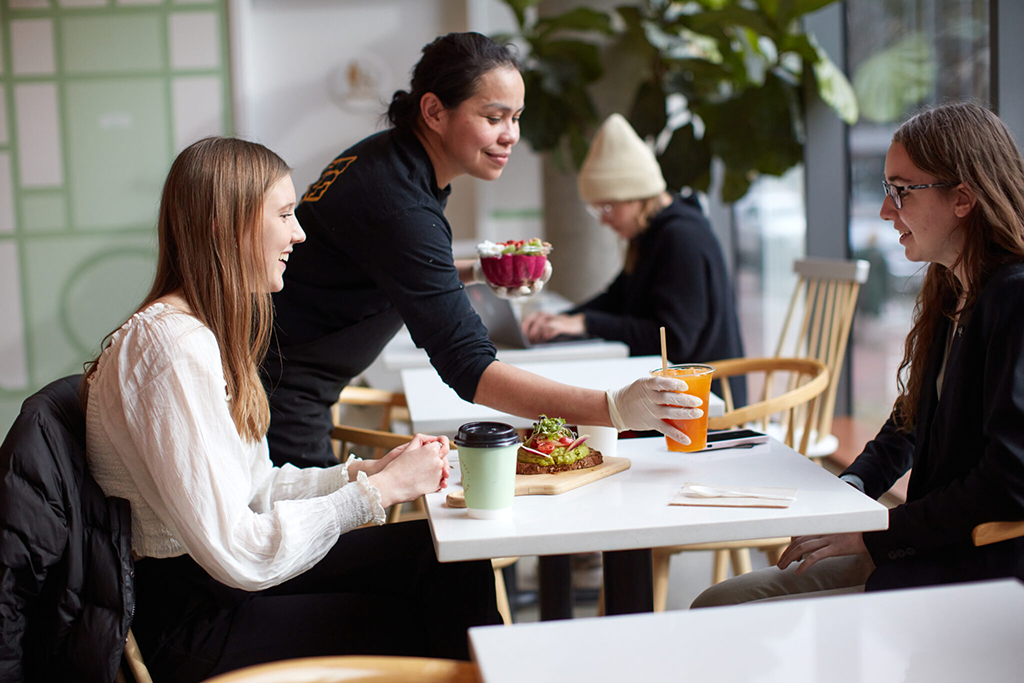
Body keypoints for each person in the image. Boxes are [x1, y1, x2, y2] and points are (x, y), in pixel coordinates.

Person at [84, 137, 501, 682]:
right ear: (224, 227)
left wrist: (363, 472)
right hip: (194, 624)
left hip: (216, 586)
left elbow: (255, 490)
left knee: (444, 557)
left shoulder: (199, 333)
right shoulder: (172, 351)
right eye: (284, 215)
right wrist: (378, 494)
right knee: (419, 616)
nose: (299, 233)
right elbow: (241, 552)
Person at [263, 32, 703, 469]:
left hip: (289, 382)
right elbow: (469, 367)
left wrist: (478, 272)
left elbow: (397, 267)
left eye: (516, 117)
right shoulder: (398, 202)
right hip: (279, 390)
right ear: (434, 111)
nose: (511, 135)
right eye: (494, 117)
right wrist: (616, 408)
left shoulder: (389, 162)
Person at [691, 102, 1024, 607]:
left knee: (722, 608)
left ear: (964, 197)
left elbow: (1009, 481)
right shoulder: (952, 289)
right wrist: (850, 487)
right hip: (932, 546)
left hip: (977, 567)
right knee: (720, 602)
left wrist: (878, 533)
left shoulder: (1014, 299)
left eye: (901, 192)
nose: (887, 210)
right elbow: (910, 423)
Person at [521, 113, 746, 406]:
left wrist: (584, 322)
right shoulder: (653, 236)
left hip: (705, 410)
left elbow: (674, 339)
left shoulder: (682, 239)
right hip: (673, 397)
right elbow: (616, 298)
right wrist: (564, 319)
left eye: (607, 207)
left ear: (635, 195)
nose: (604, 220)